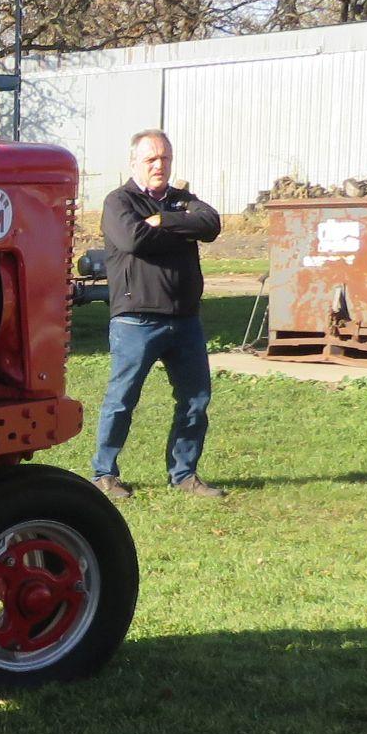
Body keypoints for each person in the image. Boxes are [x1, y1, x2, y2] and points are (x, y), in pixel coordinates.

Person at [92, 130, 224, 498]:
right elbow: (134, 240)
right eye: (150, 159)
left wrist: (163, 221)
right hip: (136, 320)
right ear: (134, 162)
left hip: (185, 320)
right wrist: (182, 227)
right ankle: (105, 473)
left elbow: (210, 224)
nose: (158, 165)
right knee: (122, 400)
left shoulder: (182, 201)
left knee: (195, 400)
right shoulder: (118, 201)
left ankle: (184, 475)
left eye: (164, 158)